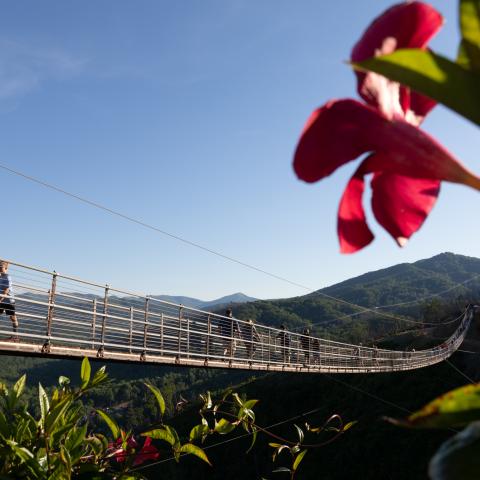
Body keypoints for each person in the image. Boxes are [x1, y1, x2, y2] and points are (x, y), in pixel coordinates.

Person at [0, 261, 18, 340]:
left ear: (6, 268)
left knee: (13, 318)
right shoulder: (0, 277)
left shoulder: (8, 277)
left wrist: (0, 299)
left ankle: (15, 336)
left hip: (8, 301)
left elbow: (6, 290)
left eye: (1, 267)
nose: (0, 268)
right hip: (2, 300)